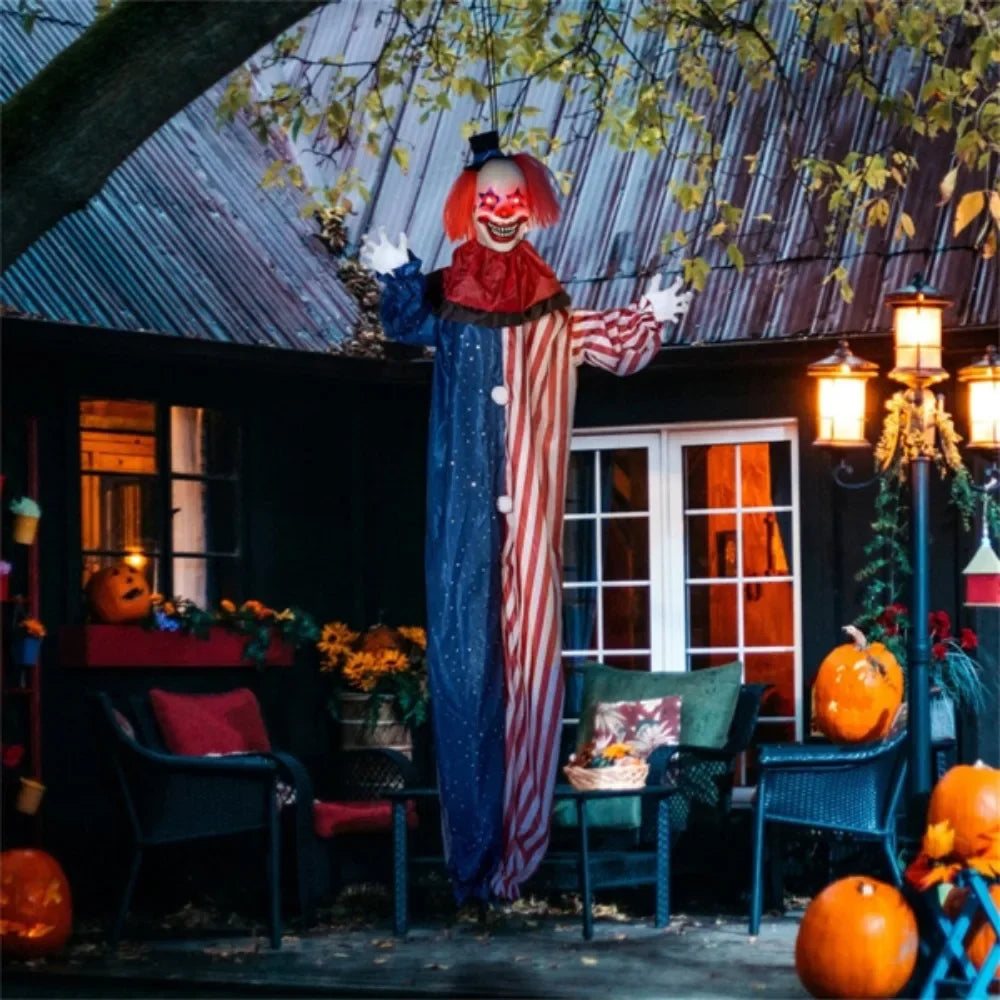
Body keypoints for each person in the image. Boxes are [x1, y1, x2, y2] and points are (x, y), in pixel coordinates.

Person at [360, 130, 691, 902]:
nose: (503, 211)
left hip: (530, 523)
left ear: (531, 208)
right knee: (465, 669)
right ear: (469, 208)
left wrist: (647, 316)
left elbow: (606, 342)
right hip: (463, 518)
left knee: (532, 668)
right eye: (490, 200)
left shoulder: (549, 306)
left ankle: (515, 855)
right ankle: (473, 858)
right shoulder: (451, 298)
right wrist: (399, 273)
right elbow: (405, 322)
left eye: (515, 200)